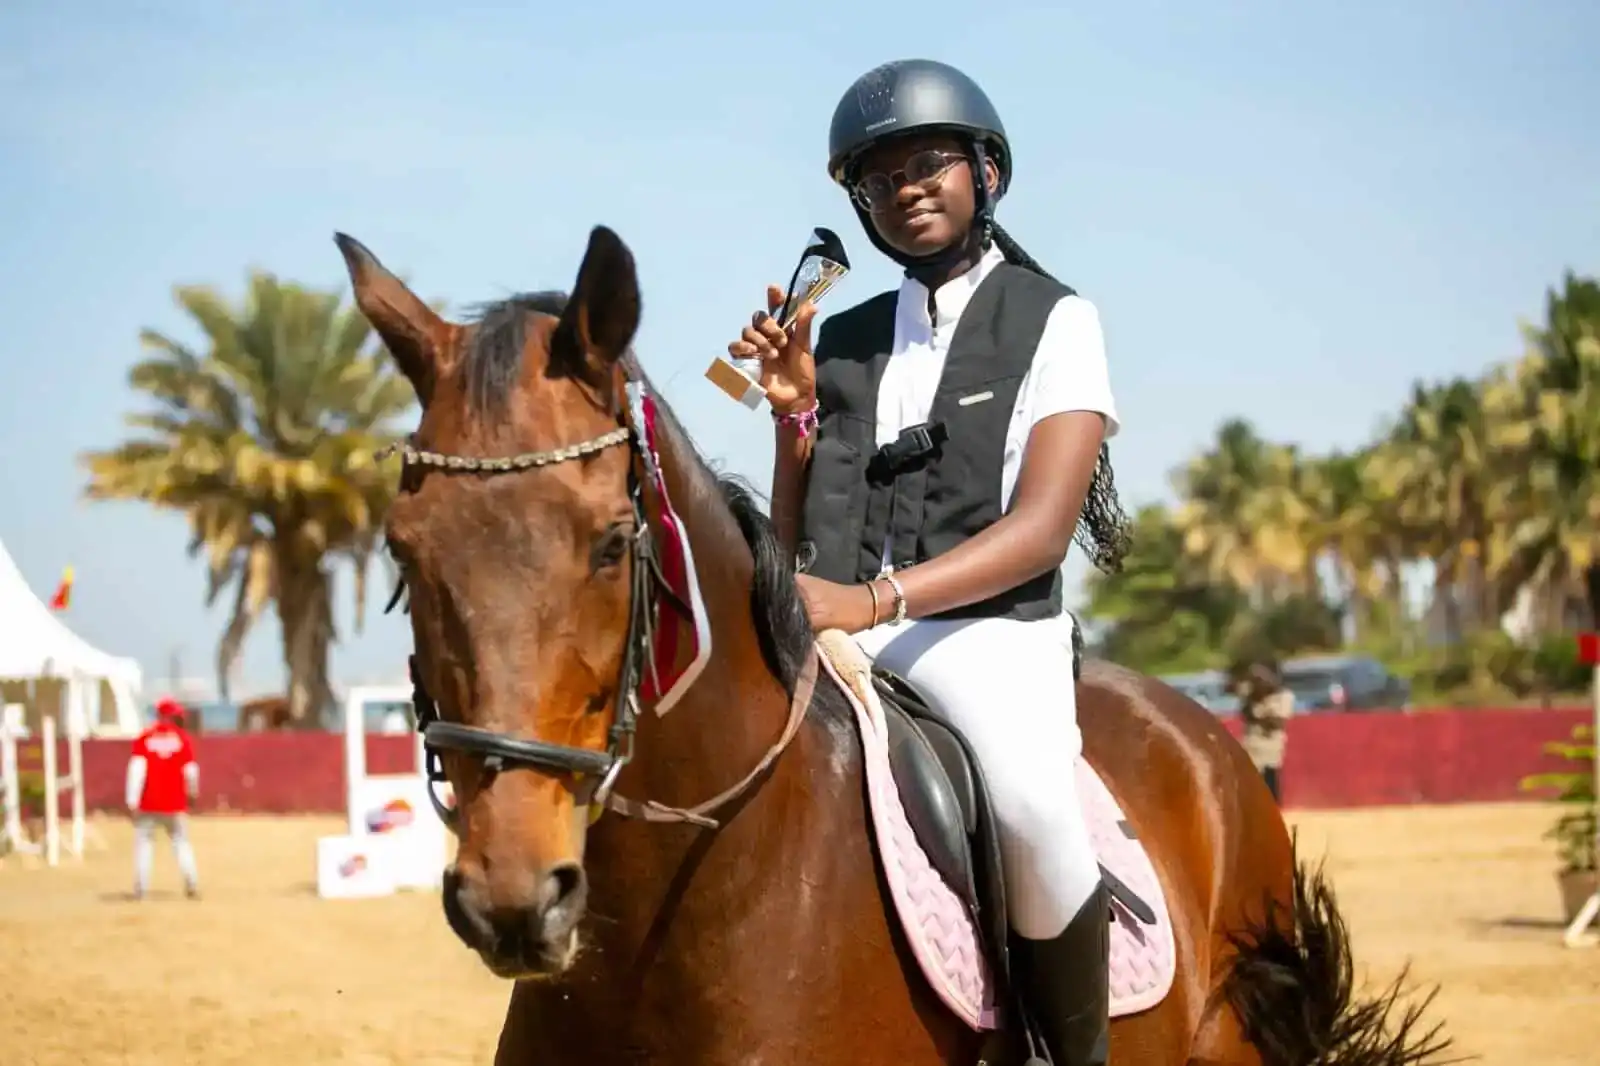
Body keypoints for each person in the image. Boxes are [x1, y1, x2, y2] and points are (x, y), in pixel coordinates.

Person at [727, 58, 1133, 1066]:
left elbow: (1040, 529)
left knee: (1034, 810)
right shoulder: (846, 340)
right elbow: (796, 545)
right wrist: (789, 416)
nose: (906, 186)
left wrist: (874, 600)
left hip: (989, 640)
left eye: (930, 162)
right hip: (845, 632)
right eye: (880, 177)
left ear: (986, 172)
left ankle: (1069, 1054)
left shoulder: (1057, 318)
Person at [125, 696, 201, 900]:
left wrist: (132, 800)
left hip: (148, 802)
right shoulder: (182, 739)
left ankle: (141, 888)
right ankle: (191, 882)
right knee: (181, 842)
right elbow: (191, 771)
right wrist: (193, 793)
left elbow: (136, 771)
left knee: (144, 845)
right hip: (175, 803)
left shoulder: (144, 738)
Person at [1229, 660, 1293, 803]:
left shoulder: (1282, 696)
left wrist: (1259, 712)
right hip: (1251, 740)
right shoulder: (1251, 694)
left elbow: (1277, 722)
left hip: (1270, 741)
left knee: (1269, 774)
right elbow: (1232, 691)